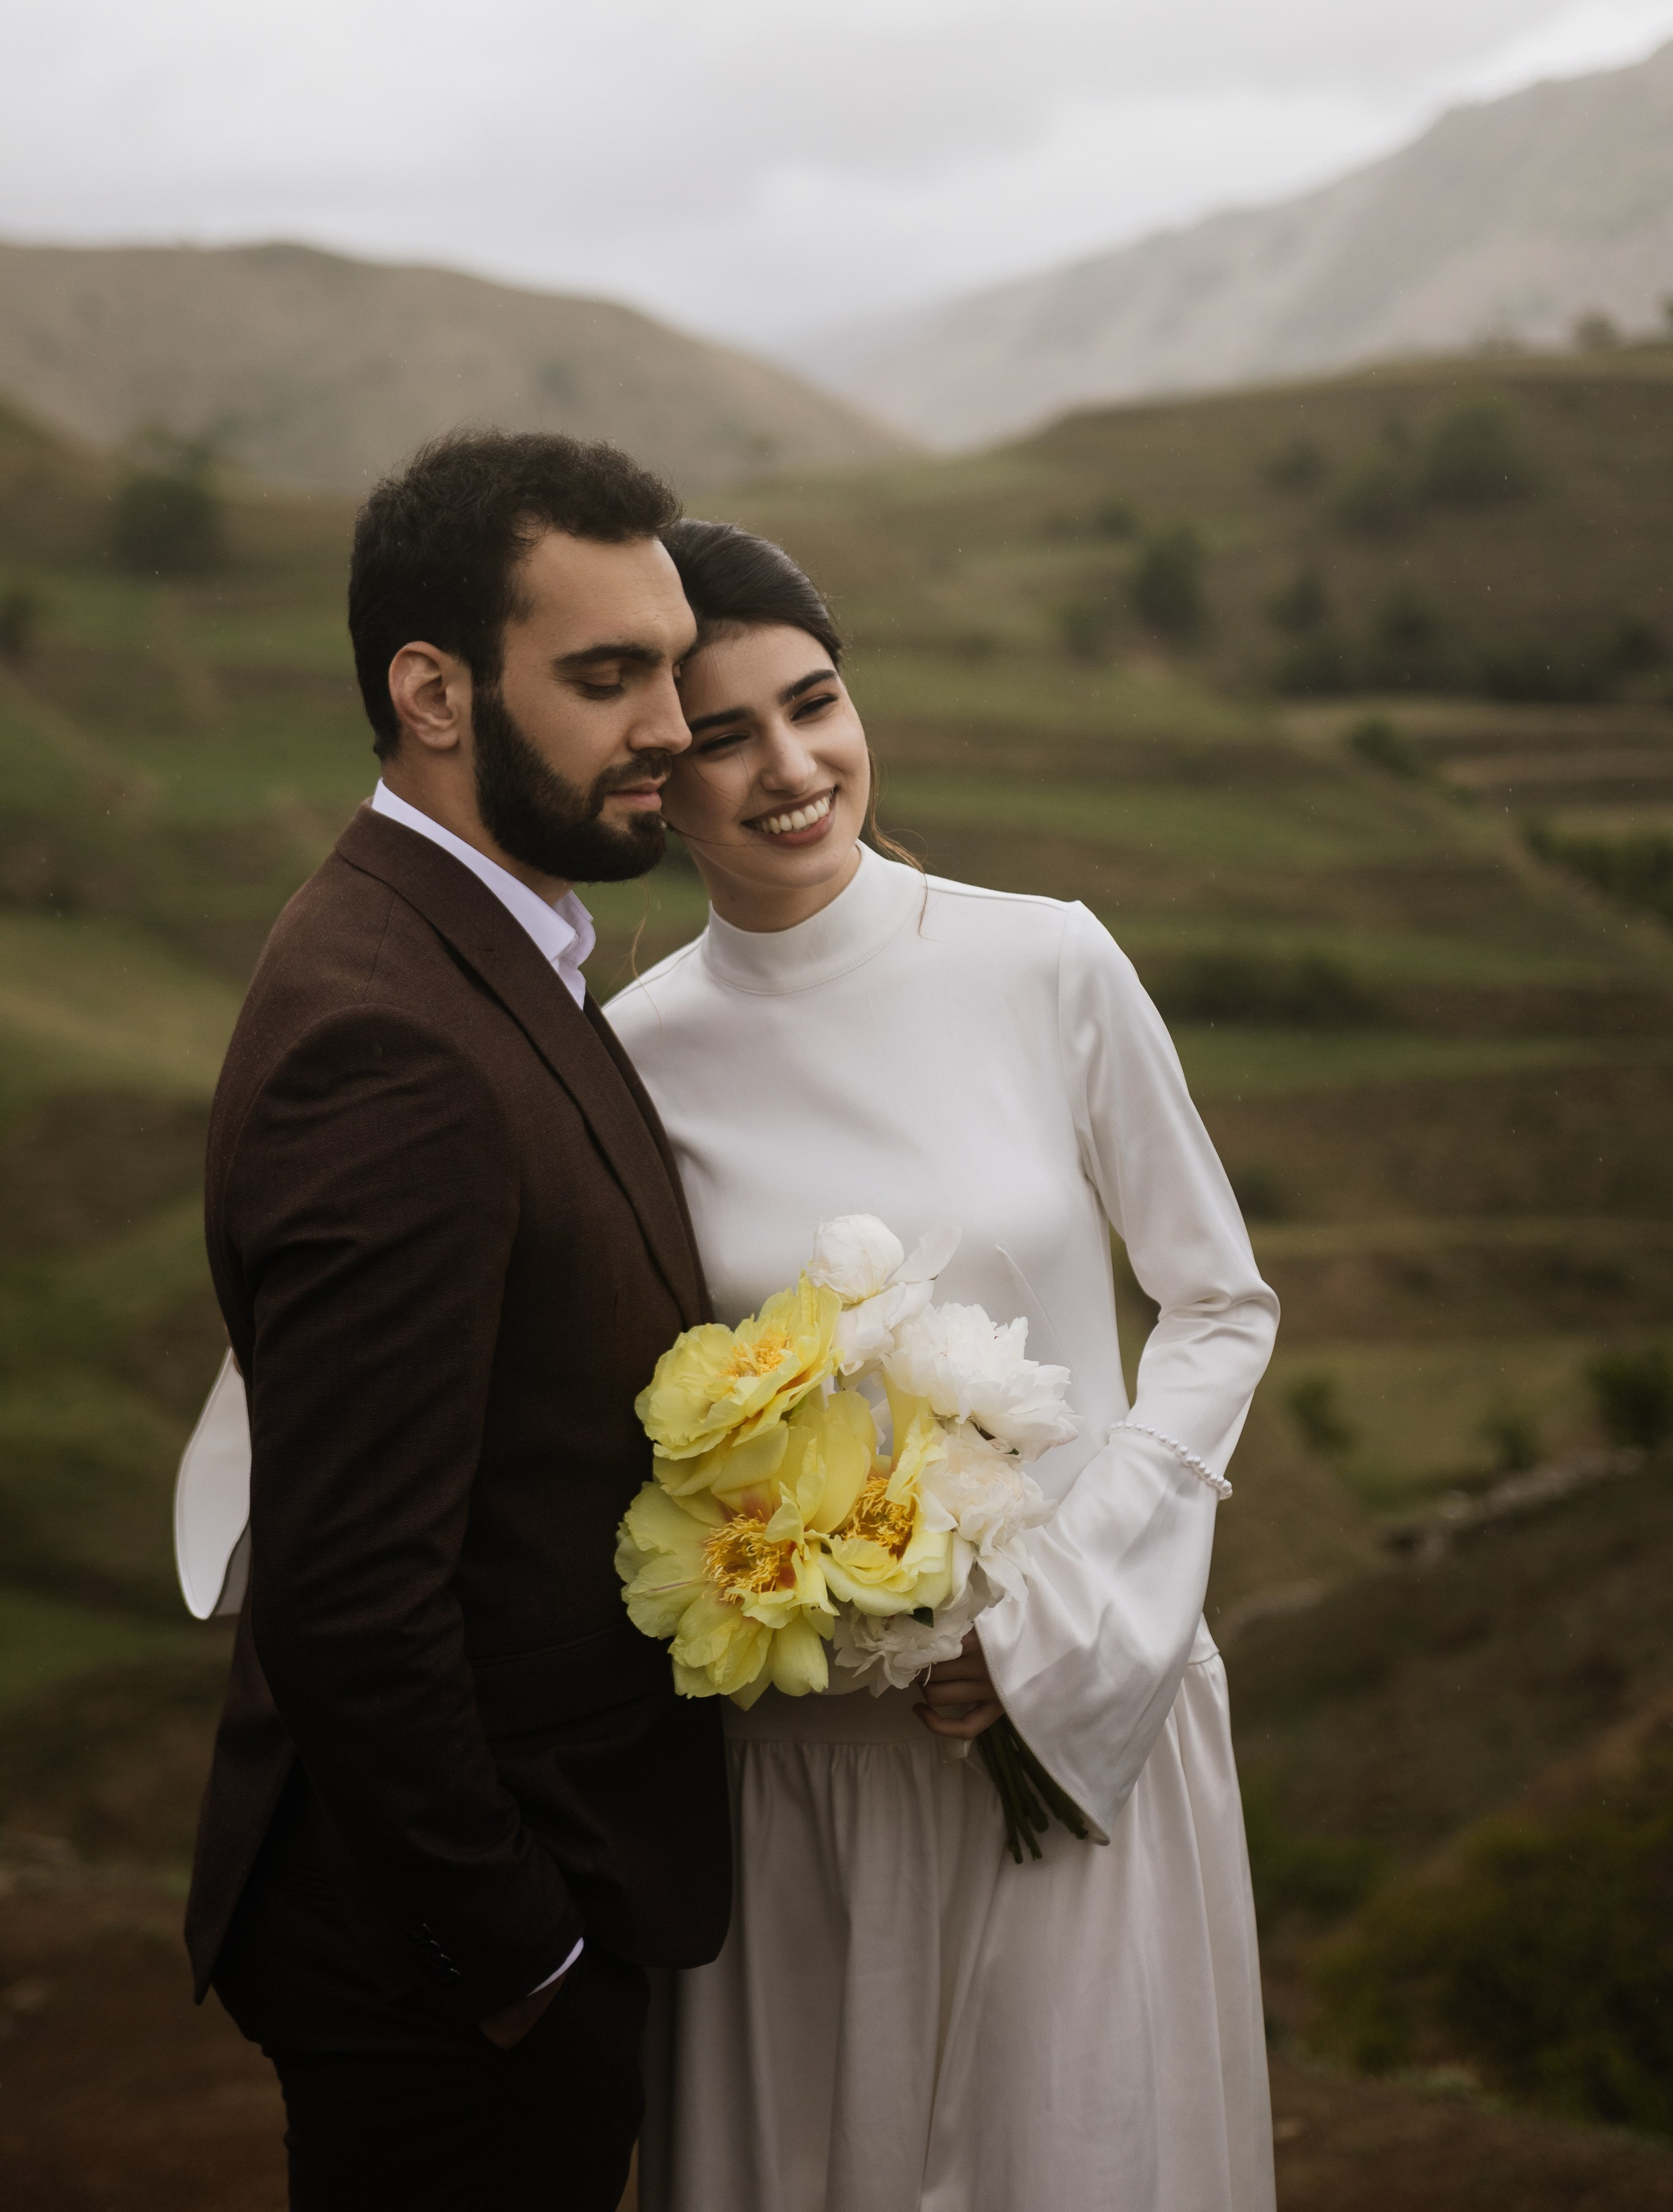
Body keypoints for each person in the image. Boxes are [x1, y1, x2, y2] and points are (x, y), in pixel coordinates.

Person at [606, 519, 1281, 2212]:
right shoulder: (631, 1060)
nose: (790, 769)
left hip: (1072, 1719)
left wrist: (1061, 1622)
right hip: (800, 1773)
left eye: (813, 704)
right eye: (722, 737)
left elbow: (1218, 1306)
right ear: (655, 779)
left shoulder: (1047, 961)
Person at [188, 433, 732, 2211]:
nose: (672, 726)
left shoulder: (484, 948)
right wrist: (523, 1961)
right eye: (608, 677)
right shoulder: (389, 1043)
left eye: (673, 667)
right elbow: (350, 1595)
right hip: (445, 1976)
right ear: (432, 692)